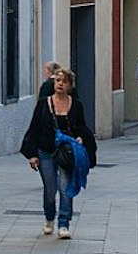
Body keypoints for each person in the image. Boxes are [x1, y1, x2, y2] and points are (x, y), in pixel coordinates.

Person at [19, 66, 96, 239]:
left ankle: (64, 223)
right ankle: (49, 218)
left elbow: (82, 127)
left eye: (64, 81)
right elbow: (34, 129)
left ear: (70, 86)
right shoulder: (43, 104)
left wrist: (81, 138)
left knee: (65, 187)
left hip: (67, 153)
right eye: (58, 81)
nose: (60, 84)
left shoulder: (76, 105)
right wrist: (32, 154)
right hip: (45, 151)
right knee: (50, 189)